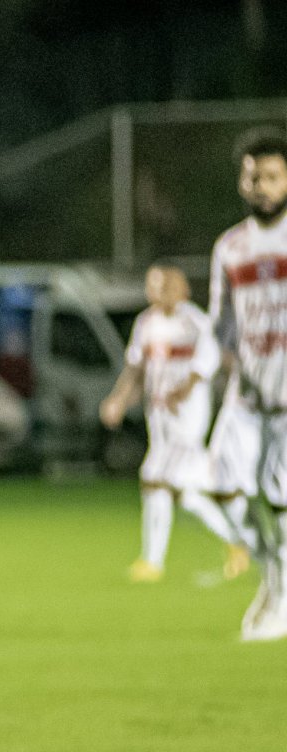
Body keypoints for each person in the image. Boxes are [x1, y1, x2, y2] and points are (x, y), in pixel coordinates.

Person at [100, 265, 249, 583]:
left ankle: (152, 563)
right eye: (153, 285)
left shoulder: (194, 321)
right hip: (158, 417)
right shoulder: (145, 323)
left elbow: (207, 362)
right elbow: (135, 369)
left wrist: (185, 388)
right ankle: (239, 542)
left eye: (165, 285)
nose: (157, 291)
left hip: (187, 417)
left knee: (153, 477)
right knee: (186, 493)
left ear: (182, 290)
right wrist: (118, 399)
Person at [208, 127, 287, 641]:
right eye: (252, 175)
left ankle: (281, 595)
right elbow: (222, 326)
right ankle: (276, 575)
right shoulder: (230, 247)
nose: (261, 185)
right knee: (217, 488)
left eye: (272, 176)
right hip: (247, 392)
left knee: (280, 495)